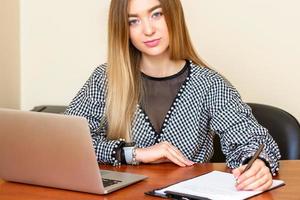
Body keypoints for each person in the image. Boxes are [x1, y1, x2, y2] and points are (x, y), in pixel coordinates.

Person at [65, 0, 280, 191]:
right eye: (133, 21)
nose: (148, 30)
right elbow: (68, 143)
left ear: (173, 14)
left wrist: (259, 163)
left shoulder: (209, 84)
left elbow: (252, 138)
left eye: (156, 14)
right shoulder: (105, 79)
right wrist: (134, 153)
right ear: (123, 29)